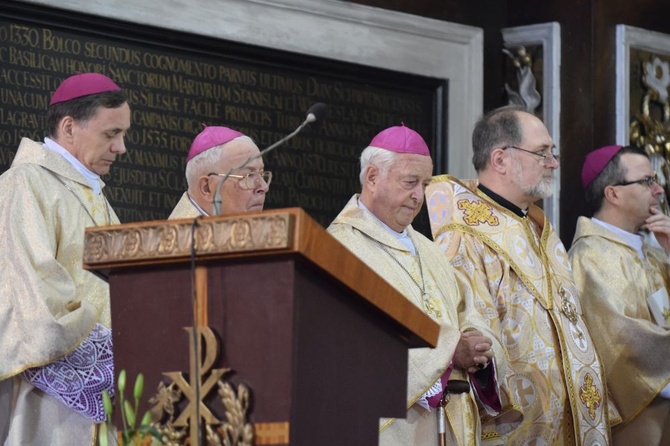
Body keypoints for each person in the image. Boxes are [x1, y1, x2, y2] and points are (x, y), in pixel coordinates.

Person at [426, 105, 611, 445]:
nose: (553, 162)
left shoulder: (540, 229)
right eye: (542, 153)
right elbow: (474, 327)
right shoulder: (464, 232)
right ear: (500, 160)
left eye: (552, 153)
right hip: (518, 428)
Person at [328, 124, 521, 445]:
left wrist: (479, 347)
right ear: (372, 178)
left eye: (426, 184)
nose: (419, 195)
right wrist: (447, 355)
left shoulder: (430, 250)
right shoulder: (339, 249)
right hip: (390, 429)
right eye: (410, 183)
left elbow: (467, 313)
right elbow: (347, 349)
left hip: (450, 421)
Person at [0, 73, 131, 444]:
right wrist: (107, 359)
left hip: (113, 393)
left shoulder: (92, 195)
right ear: (69, 127)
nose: (121, 148)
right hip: (52, 399)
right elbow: (31, 294)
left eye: (123, 135)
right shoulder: (25, 183)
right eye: (111, 134)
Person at [568, 144, 670, 445]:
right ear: (613, 194)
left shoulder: (655, 251)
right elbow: (622, 339)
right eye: (647, 181)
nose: (659, 189)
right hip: (634, 408)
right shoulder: (590, 257)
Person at [168, 126, 271, 218]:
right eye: (248, 176)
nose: (264, 187)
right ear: (207, 188)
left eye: (261, 174)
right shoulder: (182, 237)